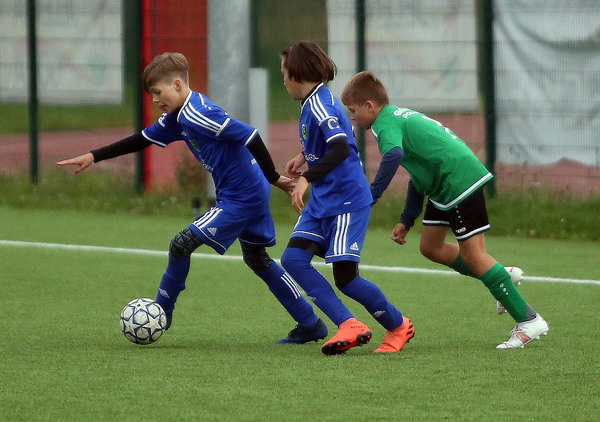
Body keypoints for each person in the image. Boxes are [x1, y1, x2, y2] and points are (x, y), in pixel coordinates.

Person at [57, 52, 328, 345]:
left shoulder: (197, 113)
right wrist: (94, 155)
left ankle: (161, 314)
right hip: (244, 191)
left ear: (177, 84)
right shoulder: (176, 117)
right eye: (151, 95)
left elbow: (250, 135)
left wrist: (273, 177)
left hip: (243, 196)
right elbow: (142, 139)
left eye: (157, 92)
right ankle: (309, 323)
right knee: (256, 258)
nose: (155, 100)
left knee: (181, 244)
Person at [340, 71, 549, 349]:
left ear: (369, 106)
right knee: (431, 247)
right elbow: (417, 173)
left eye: (353, 110)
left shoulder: (383, 124)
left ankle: (529, 320)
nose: (352, 117)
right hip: (444, 183)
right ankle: (500, 274)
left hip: (457, 180)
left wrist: (372, 194)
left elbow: (394, 156)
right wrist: (407, 219)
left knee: (473, 255)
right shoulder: (395, 117)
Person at [278, 41, 415, 355]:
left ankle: (398, 325)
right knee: (293, 260)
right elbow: (335, 139)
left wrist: (307, 179)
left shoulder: (320, 105)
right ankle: (349, 324)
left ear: (297, 73)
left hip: (346, 201)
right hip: (324, 200)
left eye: (284, 73)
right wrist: (304, 155)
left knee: (346, 278)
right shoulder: (313, 100)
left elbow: (340, 148)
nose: (283, 80)